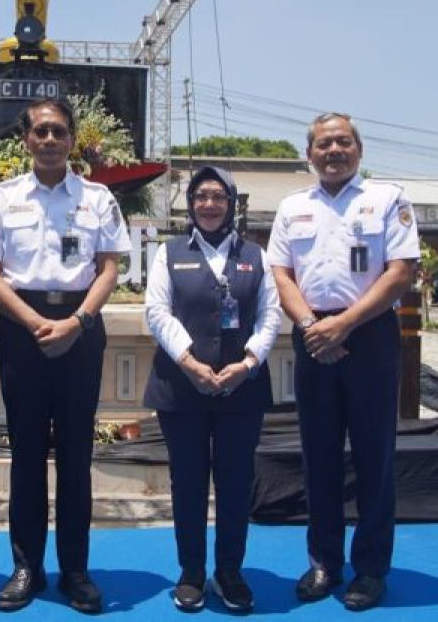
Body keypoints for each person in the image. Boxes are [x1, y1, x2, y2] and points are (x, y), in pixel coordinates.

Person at [0, 98, 131, 614]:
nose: (51, 139)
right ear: (26, 139)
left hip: (80, 326)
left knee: (77, 455)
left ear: (73, 138)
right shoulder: (2, 197)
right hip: (23, 328)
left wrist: (77, 322)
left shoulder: (98, 197)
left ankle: (76, 571)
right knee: (27, 455)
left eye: (60, 130)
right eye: (41, 131)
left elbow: (109, 268)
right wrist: (34, 321)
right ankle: (26, 567)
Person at [267, 112, 419, 613]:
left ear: (359, 150)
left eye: (343, 142)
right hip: (313, 336)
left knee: (374, 455)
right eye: (324, 144)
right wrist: (314, 327)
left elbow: (400, 273)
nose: (334, 151)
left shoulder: (388, 200)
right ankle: (325, 562)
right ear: (308, 154)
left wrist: (345, 324)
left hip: (369, 335)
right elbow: (282, 273)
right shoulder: (292, 207)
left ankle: (371, 568)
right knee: (320, 455)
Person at [143, 165, 280, 613]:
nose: (208, 204)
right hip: (182, 388)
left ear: (232, 203)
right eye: (200, 196)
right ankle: (192, 572)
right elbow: (157, 312)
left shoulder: (256, 256)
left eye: (218, 196)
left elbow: (269, 316)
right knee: (188, 483)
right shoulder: (169, 253)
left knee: (236, 483)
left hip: (242, 389)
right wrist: (190, 362)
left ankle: (229, 572)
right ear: (191, 204)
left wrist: (248, 362)